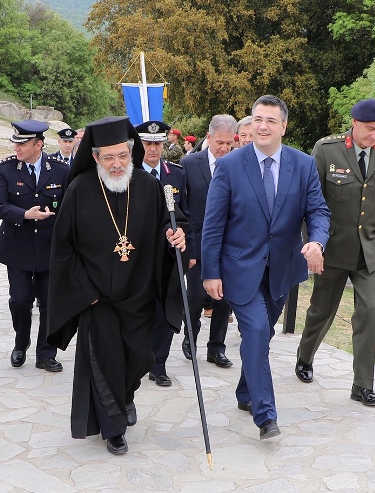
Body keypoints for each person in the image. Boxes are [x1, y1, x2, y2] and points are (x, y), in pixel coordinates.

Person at [46, 115, 186, 456]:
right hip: (99, 298)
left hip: (138, 293)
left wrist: (177, 239)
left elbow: (165, 234)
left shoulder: (149, 186)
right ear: (95, 158)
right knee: (105, 362)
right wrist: (84, 291)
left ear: (131, 152)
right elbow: (62, 248)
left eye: (122, 155)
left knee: (139, 359)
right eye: (108, 157)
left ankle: (125, 397)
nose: (117, 163)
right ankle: (114, 428)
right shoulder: (79, 190)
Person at [202, 95, 330, 440]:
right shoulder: (231, 166)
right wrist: (210, 272)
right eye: (258, 119)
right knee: (257, 331)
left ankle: (246, 392)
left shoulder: (303, 165)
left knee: (263, 333)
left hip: (282, 272)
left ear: (283, 126)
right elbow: (213, 225)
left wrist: (317, 242)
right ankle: (265, 415)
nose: (262, 126)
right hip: (239, 269)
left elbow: (318, 212)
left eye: (271, 121)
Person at [296, 98, 375, 407]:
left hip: (369, 251)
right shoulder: (327, 150)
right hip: (333, 248)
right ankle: (305, 357)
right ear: (354, 123)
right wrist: (313, 245)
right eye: (370, 129)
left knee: (369, 312)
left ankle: (362, 385)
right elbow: (311, 202)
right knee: (321, 310)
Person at [0, 120, 68, 371]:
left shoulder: (59, 170)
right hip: (18, 247)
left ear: (39, 144)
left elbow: (68, 208)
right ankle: (20, 342)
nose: (17, 147)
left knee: (49, 303)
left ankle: (46, 353)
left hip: (49, 247)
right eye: (15, 142)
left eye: (23, 143)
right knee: (21, 300)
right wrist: (26, 215)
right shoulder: (6, 169)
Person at [135, 119, 190, 387]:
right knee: (139, 312)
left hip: (168, 258)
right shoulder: (128, 175)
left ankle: (159, 364)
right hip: (136, 258)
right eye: (147, 143)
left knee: (165, 311)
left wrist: (182, 234)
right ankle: (136, 360)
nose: (153, 148)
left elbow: (187, 216)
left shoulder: (176, 174)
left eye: (157, 143)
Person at [179, 115, 237, 368]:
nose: (224, 148)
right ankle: (190, 337)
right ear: (209, 138)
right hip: (199, 243)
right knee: (194, 296)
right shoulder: (190, 164)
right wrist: (189, 248)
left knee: (224, 299)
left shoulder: (239, 164)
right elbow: (183, 208)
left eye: (229, 143)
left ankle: (217, 347)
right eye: (220, 142)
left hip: (229, 245)